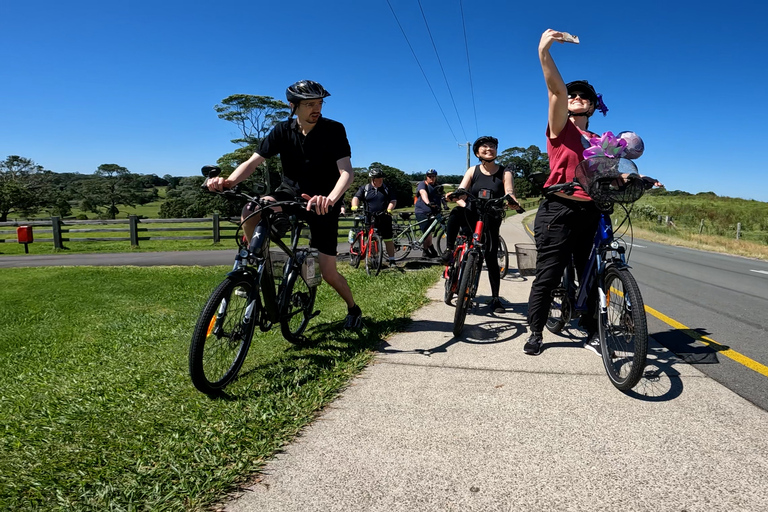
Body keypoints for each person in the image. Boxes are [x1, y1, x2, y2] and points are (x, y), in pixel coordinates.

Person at [206, 80, 363, 330]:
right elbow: (254, 161)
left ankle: (354, 309)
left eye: (320, 103)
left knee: (329, 272)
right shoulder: (282, 130)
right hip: (289, 194)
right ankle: (258, 268)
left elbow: (346, 173)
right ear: (293, 106)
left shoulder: (334, 130)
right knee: (252, 209)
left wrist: (330, 199)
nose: (317, 109)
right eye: (310, 104)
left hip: (322, 202)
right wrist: (228, 181)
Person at [524, 30, 609, 355]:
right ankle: (536, 331)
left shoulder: (602, 140)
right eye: (573, 96)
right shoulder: (560, 127)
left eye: (584, 97)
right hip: (558, 210)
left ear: (592, 106)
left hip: (590, 211)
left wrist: (635, 180)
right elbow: (556, 92)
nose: (576, 98)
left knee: (591, 271)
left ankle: (590, 327)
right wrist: (545, 52)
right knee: (549, 273)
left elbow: (610, 172)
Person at [441, 136, 523, 313]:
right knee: (455, 213)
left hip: (491, 216)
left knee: (492, 257)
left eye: (492, 146)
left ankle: (495, 298)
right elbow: (463, 190)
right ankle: (449, 250)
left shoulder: (504, 171)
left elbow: (509, 191)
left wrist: (513, 202)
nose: (489, 149)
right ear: (477, 152)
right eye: (484, 146)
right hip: (471, 213)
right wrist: (455, 195)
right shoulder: (473, 170)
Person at [351, 167, 398, 267]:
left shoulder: (386, 188)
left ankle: (392, 260)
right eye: (378, 178)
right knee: (371, 239)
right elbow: (356, 197)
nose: (380, 180)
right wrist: (354, 206)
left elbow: (393, 200)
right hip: (369, 217)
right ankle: (374, 258)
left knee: (388, 239)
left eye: (381, 178)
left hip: (384, 216)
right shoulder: (365, 189)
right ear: (372, 179)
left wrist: (389, 209)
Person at [414, 169, 442, 258]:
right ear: (426, 177)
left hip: (433, 212)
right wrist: (428, 203)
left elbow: (441, 196)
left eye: (433, 176)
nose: (432, 178)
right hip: (422, 211)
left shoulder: (437, 186)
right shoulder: (423, 184)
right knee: (427, 232)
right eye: (430, 177)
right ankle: (428, 249)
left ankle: (426, 251)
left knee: (429, 232)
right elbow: (423, 193)